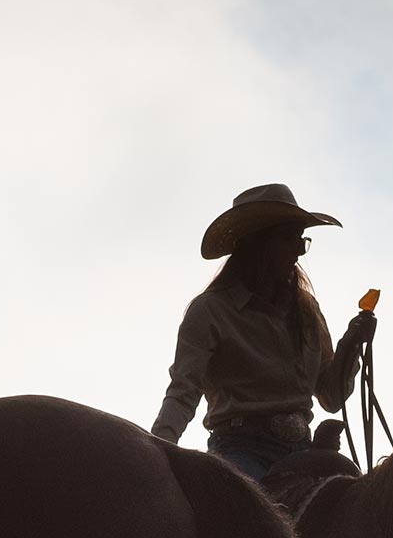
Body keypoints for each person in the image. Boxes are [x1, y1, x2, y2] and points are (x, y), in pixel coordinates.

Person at [151, 184, 377, 479]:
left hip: (303, 450)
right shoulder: (210, 311)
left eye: (301, 240)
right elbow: (183, 391)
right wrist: (157, 451)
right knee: (243, 515)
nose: (298, 251)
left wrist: (352, 343)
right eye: (288, 239)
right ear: (259, 245)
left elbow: (331, 398)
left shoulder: (307, 311)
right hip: (240, 450)